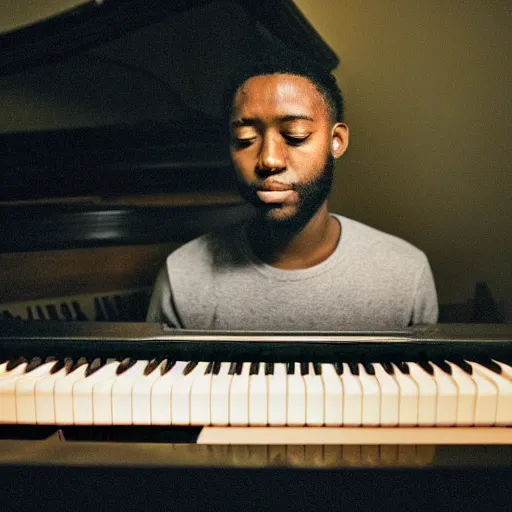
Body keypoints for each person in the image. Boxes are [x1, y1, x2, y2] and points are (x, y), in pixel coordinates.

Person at [146, 47, 438, 330]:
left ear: (336, 141)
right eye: (245, 138)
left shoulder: (405, 274)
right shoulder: (183, 277)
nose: (269, 160)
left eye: (295, 136)